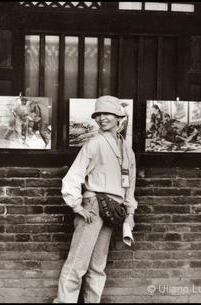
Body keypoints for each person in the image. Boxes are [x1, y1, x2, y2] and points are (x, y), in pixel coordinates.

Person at [54, 95, 137, 303]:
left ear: (119, 116)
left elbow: (130, 185)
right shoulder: (94, 143)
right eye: (98, 114)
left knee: (97, 267)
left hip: (113, 209)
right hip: (93, 205)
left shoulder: (127, 149)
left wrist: (130, 213)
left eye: (107, 113)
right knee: (77, 263)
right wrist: (77, 206)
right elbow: (73, 176)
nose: (102, 118)